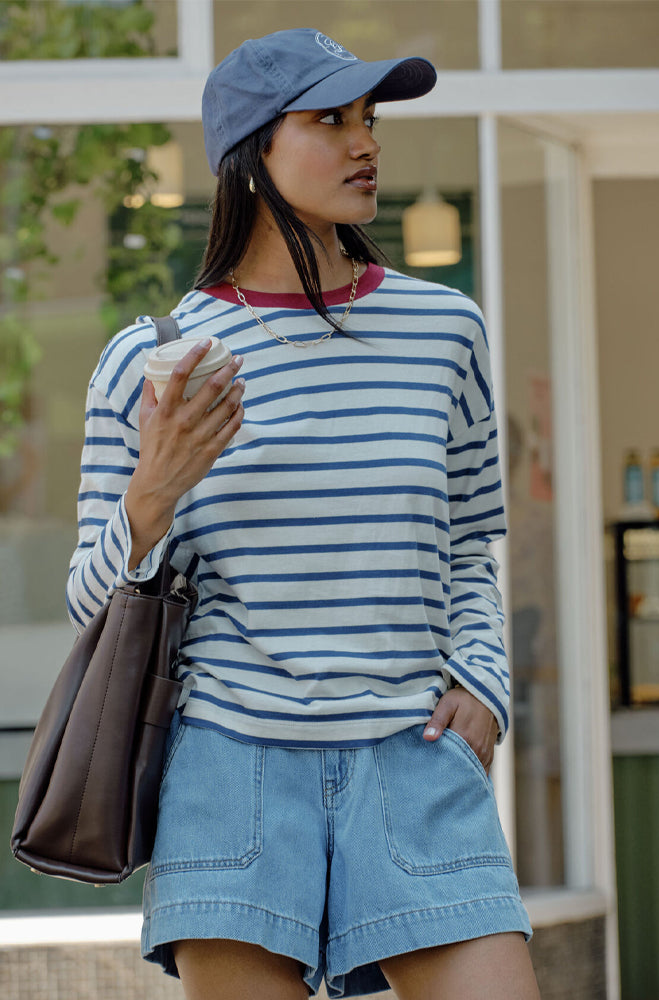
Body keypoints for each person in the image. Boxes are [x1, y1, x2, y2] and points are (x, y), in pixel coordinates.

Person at [67, 28, 541, 1000]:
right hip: (228, 766)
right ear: (250, 154)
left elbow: (470, 542)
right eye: (329, 120)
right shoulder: (153, 362)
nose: (366, 143)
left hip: (416, 754)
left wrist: (483, 687)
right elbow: (87, 601)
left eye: (368, 118)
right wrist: (154, 490)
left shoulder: (445, 331)